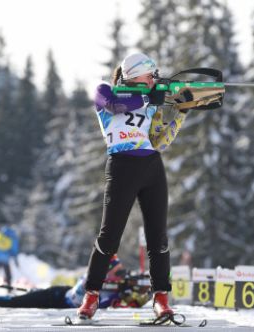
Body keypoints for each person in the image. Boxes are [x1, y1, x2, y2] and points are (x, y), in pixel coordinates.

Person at [77, 52, 191, 320]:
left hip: (151, 165)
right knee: (109, 236)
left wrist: (182, 112)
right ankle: (91, 295)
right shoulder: (104, 91)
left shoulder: (152, 100)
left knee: (158, 238)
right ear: (134, 74)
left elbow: (160, 141)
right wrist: (147, 98)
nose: (154, 80)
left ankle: (161, 298)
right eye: (150, 75)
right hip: (121, 166)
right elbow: (114, 105)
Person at [0, 255, 150, 309]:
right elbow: (77, 298)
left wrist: (130, 298)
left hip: (62, 295)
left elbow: (128, 304)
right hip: (56, 297)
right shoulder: (92, 279)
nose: (121, 274)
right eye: (118, 271)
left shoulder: (117, 285)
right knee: (11, 301)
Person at [0, 226, 19, 292]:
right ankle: (9, 290)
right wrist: (16, 260)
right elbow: (14, 251)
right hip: (5, 260)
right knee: (8, 275)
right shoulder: (12, 238)